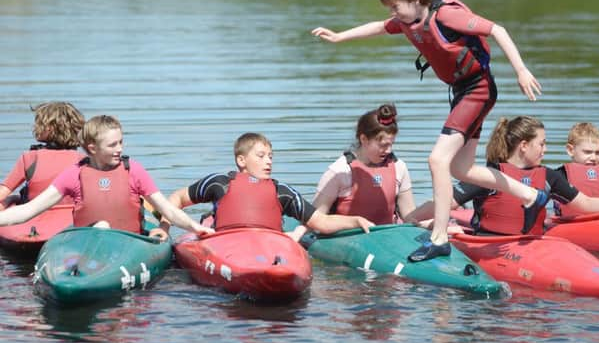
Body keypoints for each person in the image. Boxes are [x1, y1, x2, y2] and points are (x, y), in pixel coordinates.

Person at [311, 0, 547, 261]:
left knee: (438, 160)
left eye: (396, 7)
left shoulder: (446, 15)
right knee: (461, 170)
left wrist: (521, 70)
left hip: (478, 89)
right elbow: (377, 27)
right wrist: (339, 37)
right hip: (463, 91)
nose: (393, 14)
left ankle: (439, 237)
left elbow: (497, 29)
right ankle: (531, 197)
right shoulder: (407, 19)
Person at [409, 116, 599, 237]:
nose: (545, 149)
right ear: (524, 146)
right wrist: (410, 220)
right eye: (542, 144)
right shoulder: (488, 176)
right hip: (489, 245)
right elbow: (444, 203)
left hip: (533, 247)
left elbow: (585, 204)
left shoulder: (549, 176)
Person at [0, 115, 212, 240]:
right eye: (112, 145)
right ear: (92, 148)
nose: (120, 149)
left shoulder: (134, 171)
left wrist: (196, 228)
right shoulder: (74, 174)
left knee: (103, 227)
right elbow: (29, 210)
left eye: (121, 142)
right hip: (87, 245)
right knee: (99, 227)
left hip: (129, 243)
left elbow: (168, 210)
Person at [159, 132, 374, 239]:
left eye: (271, 156)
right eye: (261, 156)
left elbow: (321, 222)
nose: (269, 161)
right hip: (225, 244)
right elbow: (176, 199)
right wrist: (164, 228)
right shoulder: (219, 184)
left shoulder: (282, 192)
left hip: (268, 248)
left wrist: (355, 220)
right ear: (241, 160)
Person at [288, 104, 414, 240]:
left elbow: (409, 215)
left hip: (388, 239)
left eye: (391, 144)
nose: (389, 150)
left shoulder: (399, 167)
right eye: (383, 145)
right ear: (364, 139)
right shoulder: (339, 171)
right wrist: (297, 234)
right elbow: (315, 219)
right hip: (346, 241)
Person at [0, 102, 85, 211]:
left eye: (38, 123)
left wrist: (10, 200)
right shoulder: (83, 160)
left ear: (49, 128)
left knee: (9, 199)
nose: (35, 127)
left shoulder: (30, 158)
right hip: (71, 218)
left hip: (34, 216)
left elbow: (3, 192)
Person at [554, 122, 599, 217]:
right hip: (570, 224)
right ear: (570, 150)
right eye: (587, 152)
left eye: (598, 153)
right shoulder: (560, 175)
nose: (593, 157)